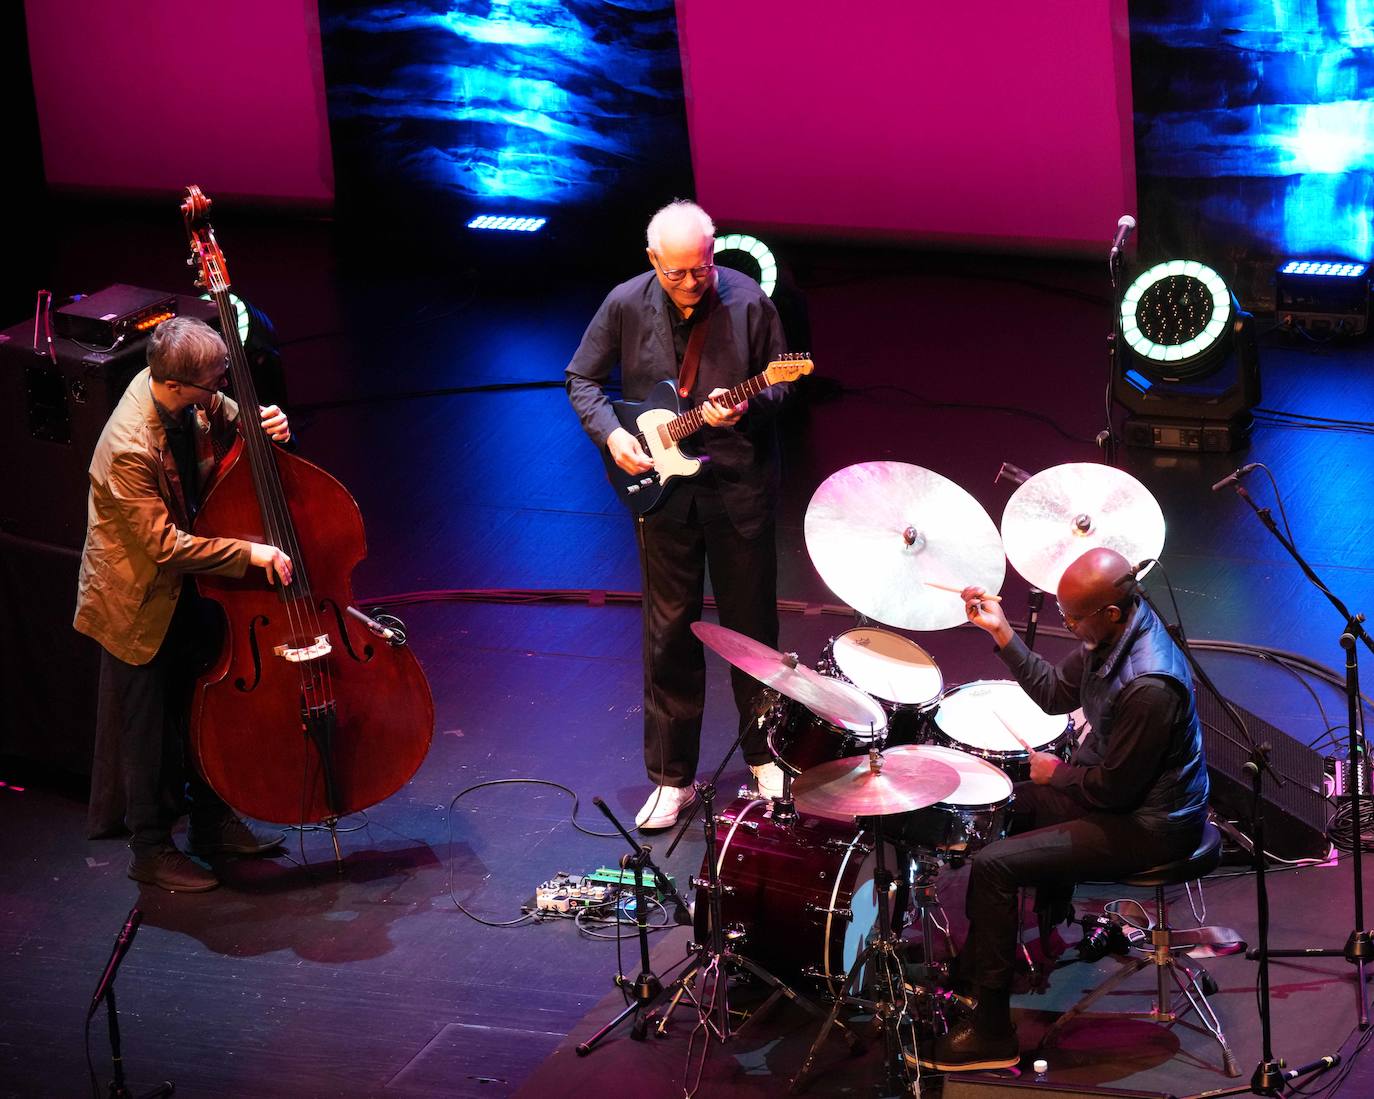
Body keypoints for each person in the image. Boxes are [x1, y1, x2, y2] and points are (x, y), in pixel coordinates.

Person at [913, 546, 1210, 1072]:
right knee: (1014, 803)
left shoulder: (1150, 685)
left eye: (1072, 618)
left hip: (1153, 826)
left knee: (994, 863)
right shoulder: (1112, 634)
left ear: (1112, 612)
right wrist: (1001, 632)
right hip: (1126, 801)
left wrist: (1060, 774)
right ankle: (1019, 952)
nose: (1068, 626)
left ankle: (990, 1034)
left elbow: (1114, 795)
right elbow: (1054, 693)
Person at [566, 199, 790, 830]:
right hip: (662, 494)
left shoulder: (748, 303)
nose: (693, 283)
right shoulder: (624, 303)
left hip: (737, 490)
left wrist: (748, 406)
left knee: (752, 632)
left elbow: (784, 382)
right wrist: (613, 436)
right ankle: (673, 778)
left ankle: (765, 759)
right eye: (678, 273)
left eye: (703, 268)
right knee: (668, 633)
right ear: (652, 262)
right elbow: (581, 379)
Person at [76, 316, 295, 893]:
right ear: (176, 384)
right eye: (214, 383)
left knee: (200, 711)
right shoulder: (129, 445)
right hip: (137, 600)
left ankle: (210, 821)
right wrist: (250, 553)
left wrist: (264, 421)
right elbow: (164, 546)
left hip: (186, 592)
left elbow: (230, 416)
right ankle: (149, 850)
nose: (220, 392)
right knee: (150, 735)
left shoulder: (189, 399)